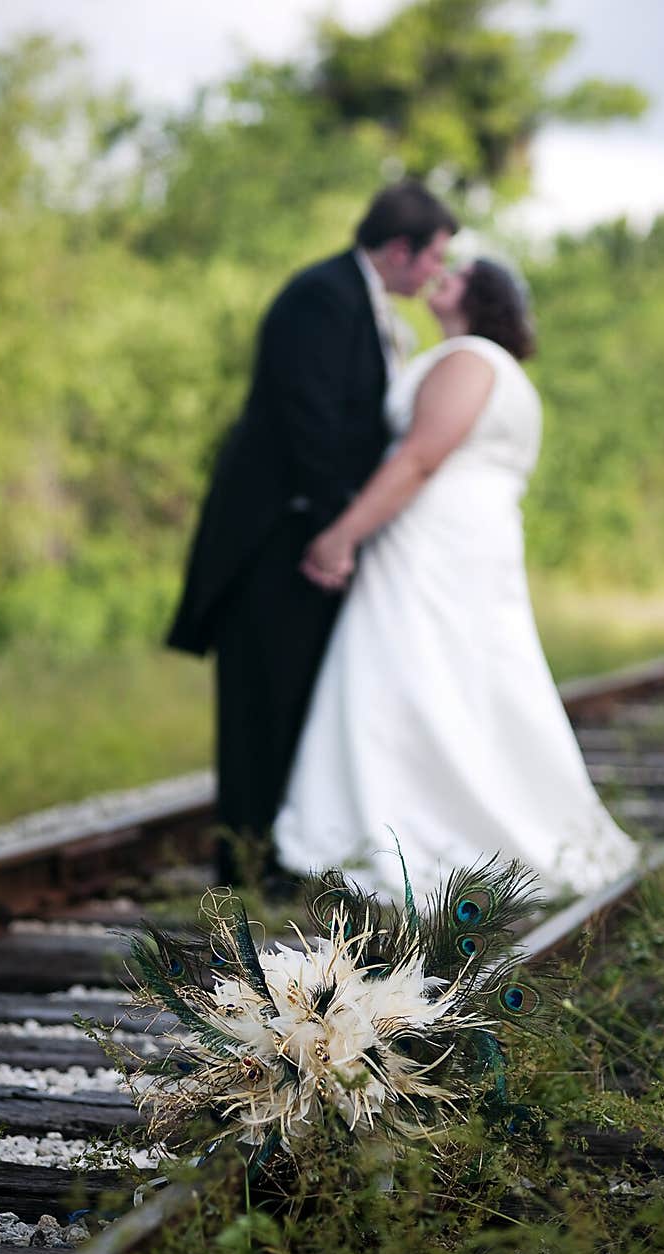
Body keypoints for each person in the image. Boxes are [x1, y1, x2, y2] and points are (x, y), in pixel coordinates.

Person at [274, 258, 640, 902]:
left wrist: (342, 535)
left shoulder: (469, 358)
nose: (443, 271)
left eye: (461, 269)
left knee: (419, 673)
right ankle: (405, 821)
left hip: (433, 542)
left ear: (484, 294)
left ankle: (422, 831)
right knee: (450, 678)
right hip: (462, 542)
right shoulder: (482, 363)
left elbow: (418, 458)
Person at [165, 181, 458, 883]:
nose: (436, 274)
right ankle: (243, 866)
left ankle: (284, 854)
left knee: (299, 700)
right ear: (397, 249)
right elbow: (310, 423)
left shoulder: (366, 303)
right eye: (432, 258)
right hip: (277, 535)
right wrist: (341, 533)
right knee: (261, 702)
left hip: (312, 531)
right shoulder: (321, 297)